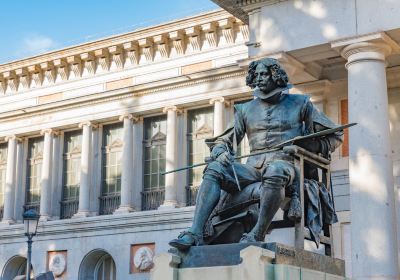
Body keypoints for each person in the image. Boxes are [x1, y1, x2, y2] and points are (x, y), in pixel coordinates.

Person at [169, 58, 342, 250]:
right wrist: (220, 152)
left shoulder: (300, 103)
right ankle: (194, 232)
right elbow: (222, 140)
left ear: (275, 76)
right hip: (252, 169)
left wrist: (309, 145)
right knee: (215, 168)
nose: (258, 78)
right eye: (256, 75)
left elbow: (334, 136)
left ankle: (257, 233)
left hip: (286, 165)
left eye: (264, 74)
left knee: (275, 170)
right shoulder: (245, 109)